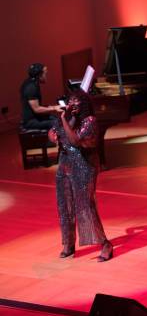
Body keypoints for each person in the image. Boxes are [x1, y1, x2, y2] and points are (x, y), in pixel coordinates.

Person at [48, 90, 113, 261]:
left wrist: (64, 119)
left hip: (84, 166)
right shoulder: (67, 117)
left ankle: (105, 243)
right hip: (65, 165)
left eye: (77, 101)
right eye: (71, 100)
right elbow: (52, 132)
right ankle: (68, 244)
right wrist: (53, 135)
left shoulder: (89, 121)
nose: (73, 104)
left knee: (85, 206)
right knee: (65, 205)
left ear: (84, 104)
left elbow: (75, 140)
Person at [20, 63, 62, 130]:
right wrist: (54, 108)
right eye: (45, 74)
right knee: (58, 123)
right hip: (31, 121)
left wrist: (52, 107)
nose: (46, 76)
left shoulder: (32, 82)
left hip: (36, 117)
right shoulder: (31, 87)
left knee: (57, 118)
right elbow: (37, 109)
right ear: (39, 75)